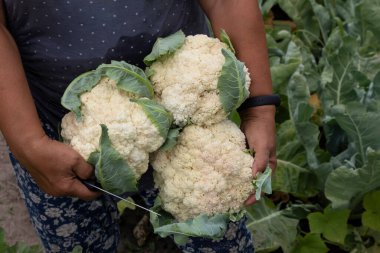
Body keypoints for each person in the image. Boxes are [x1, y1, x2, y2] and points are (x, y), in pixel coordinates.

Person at [0, 0, 276, 252]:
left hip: (188, 115)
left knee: (217, 237)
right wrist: (29, 143)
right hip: (52, 127)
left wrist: (259, 109)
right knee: (76, 242)